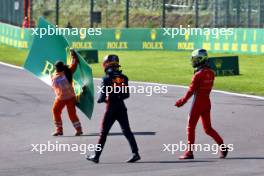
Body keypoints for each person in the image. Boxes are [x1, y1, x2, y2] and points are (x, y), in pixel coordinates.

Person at [86, 55, 140, 163]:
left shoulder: (106, 78)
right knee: (127, 131)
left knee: (103, 132)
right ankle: (136, 153)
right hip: (121, 107)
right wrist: (117, 96)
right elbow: (126, 95)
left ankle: (96, 156)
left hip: (111, 109)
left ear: (106, 64)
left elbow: (101, 98)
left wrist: (102, 99)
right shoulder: (124, 77)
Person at [175, 49, 228, 159]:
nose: (193, 61)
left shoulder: (198, 75)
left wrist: (182, 101)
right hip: (207, 102)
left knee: (190, 127)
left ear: (201, 60)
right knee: (208, 129)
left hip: (197, 103)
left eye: (195, 59)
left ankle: (189, 152)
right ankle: (222, 146)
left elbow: (191, 91)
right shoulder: (211, 73)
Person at [51, 49, 83, 136]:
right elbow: (74, 64)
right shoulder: (68, 72)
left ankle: (63, 130)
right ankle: (61, 130)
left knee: (60, 112)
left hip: (64, 98)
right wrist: (74, 56)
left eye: (57, 68)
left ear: (57, 68)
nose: (56, 69)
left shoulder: (59, 74)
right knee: (58, 111)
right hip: (67, 97)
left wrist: (74, 56)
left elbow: (74, 64)